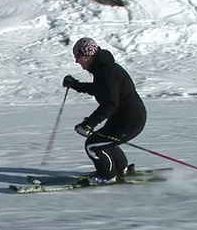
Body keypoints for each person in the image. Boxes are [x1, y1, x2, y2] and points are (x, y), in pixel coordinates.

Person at [62, 37, 147, 184]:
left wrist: (89, 124)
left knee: (93, 146)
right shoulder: (104, 69)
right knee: (104, 141)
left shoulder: (105, 72)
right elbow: (100, 90)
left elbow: (110, 104)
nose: (77, 61)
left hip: (129, 121)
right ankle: (121, 169)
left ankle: (107, 175)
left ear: (88, 56)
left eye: (78, 57)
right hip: (126, 118)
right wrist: (75, 85)